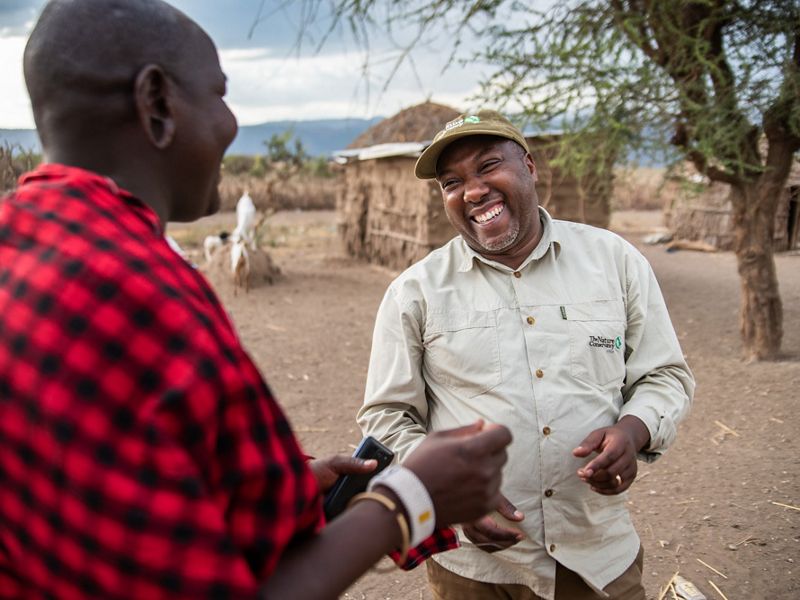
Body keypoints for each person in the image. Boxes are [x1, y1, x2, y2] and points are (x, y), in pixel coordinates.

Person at [0, 2, 513, 598]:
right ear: (158, 103)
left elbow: (97, 494)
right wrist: (408, 502)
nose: (231, 123)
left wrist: (275, 490)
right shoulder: (133, 294)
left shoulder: (25, 245)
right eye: (218, 95)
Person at [358, 110, 695, 600]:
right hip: (474, 572)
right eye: (452, 182)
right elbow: (387, 416)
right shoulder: (416, 292)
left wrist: (633, 429)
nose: (473, 191)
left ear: (531, 167)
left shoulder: (614, 262)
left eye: (488, 166)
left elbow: (665, 375)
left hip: (596, 555)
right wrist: (445, 494)